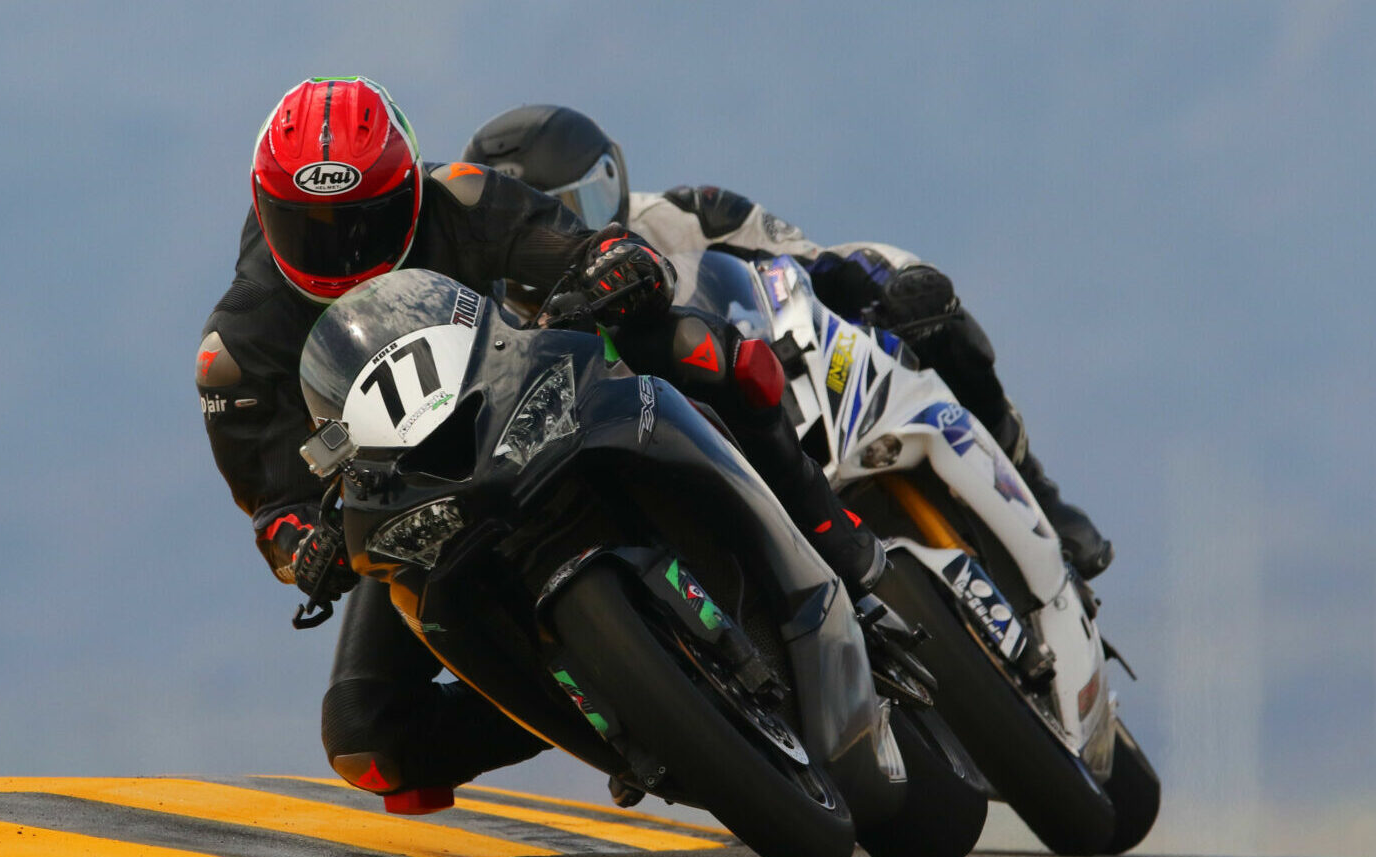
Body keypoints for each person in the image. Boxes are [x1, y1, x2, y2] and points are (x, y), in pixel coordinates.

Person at [197, 78, 882, 809]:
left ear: (409, 187)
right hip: (416, 498)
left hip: (535, 394)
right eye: (312, 227)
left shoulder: (458, 199)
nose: (343, 248)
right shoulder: (237, 346)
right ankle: (613, 717)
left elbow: (566, 243)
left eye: (365, 220)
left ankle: (828, 528)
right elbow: (276, 503)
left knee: (694, 344)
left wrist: (613, 262)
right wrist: (304, 543)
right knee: (367, 738)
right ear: (266, 209)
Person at [462, 106, 1114, 579]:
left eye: (586, 199)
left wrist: (884, 281)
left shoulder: (684, 213)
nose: (570, 229)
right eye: (548, 216)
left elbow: (813, 258)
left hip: (775, 377)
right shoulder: (510, 318)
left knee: (922, 298)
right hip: (671, 458)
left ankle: (1041, 493)